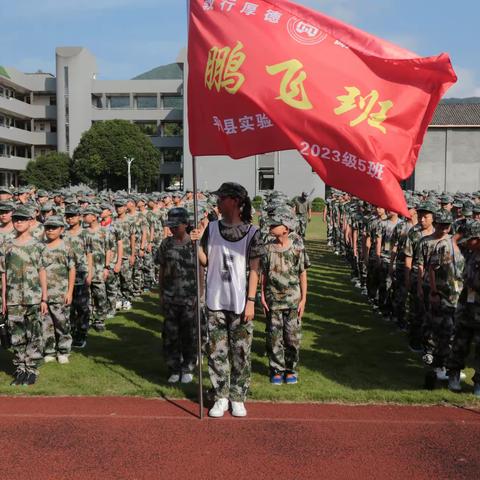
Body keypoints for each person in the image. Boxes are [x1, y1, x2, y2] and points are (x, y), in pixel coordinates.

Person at [191, 182, 264, 418]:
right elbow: (206, 261)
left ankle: (238, 397)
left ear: (234, 201)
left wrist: (251, 300)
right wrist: (195, 244)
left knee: (241, 351)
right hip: (215, 299)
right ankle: (220, 396)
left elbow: (255, 269)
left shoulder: (252, 233)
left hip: (240, 301)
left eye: (221, 199)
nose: (218, 203)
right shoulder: (211, 228)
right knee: (216, 351)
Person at [261, 208, 310, 385]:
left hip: (293, 301)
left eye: (275, 225)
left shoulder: (297, 248)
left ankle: (291, 369)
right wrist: (262, 295)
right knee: (274, 337)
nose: (271, 227)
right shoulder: (267, 249)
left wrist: (304, 299)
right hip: (273, 300)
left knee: (292, 337)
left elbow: (302, 273)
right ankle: (276, 369)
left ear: (286, 229)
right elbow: (263, 274)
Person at [1, 205, 48, 386]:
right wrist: (4, 299)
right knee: (17, 335)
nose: (18, 222)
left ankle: (32, 369)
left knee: (34, 333)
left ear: (30, 221)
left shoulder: (38, 246)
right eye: (16, 219)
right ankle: (21, 367)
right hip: (13, 298)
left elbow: (42, 271)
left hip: (34, 297)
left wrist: (44, 298)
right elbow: (3, 273)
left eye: (22, 219)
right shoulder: (7, 245)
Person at [157, 207, 197, 384]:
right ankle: (173, 367)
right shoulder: (166, 244)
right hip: (170, 296)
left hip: (190, 297)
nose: (172, 229)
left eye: (176, 226)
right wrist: (161, 293)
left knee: (189, 334)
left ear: (186, 224)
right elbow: (162, 269)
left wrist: (201, 296)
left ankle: (188, 366)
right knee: (170, 334)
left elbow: (202, 270)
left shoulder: (195, 243)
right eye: (170, 226)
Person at [42, 216, 76, 364]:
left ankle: (63, 350)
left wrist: (69, 292)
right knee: (46, 323)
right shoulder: (40, 247)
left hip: (60, 293)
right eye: (47, 227)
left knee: (62, 322)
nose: (50, 230)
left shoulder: (66, 247)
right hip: (44, 294)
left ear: (61, 229)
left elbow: (72, 270)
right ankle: (49, 350)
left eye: (54, 227)